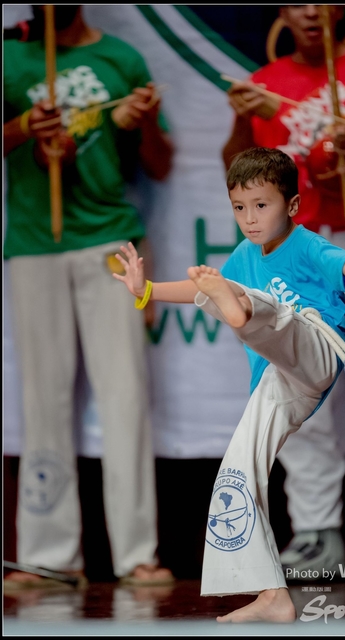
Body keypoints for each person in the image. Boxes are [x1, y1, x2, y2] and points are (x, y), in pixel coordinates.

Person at [113, 147, 345, 622]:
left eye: (261, 205)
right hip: (280, 382)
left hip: (315, 349)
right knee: (238, 475)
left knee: (271, 312)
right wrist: (147, 290)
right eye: (239, 208)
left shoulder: (305, 244)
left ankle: (243, 312)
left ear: (291, 206)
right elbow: (201, 287)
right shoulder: (246, 255)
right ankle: (272, 593)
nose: (249, 218)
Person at [221, 4, 345, 579]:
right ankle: (315, 532)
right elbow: (237, 174)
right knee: (293, 388)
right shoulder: (264, 83)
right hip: (292, 248)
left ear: (337, 8)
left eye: (320, 2)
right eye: (297, 3)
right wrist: (242, 121)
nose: (310, 11)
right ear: (284, 13)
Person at [4, 5, 174, 588]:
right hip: (34, 240)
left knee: (125, 393)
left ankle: (137, 555)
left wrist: (140, 124)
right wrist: (25, 128)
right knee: (42, 399)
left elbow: (162, 163)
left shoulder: (120, 59)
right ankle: (50, 558)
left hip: (108, 237)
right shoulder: (10, 55)